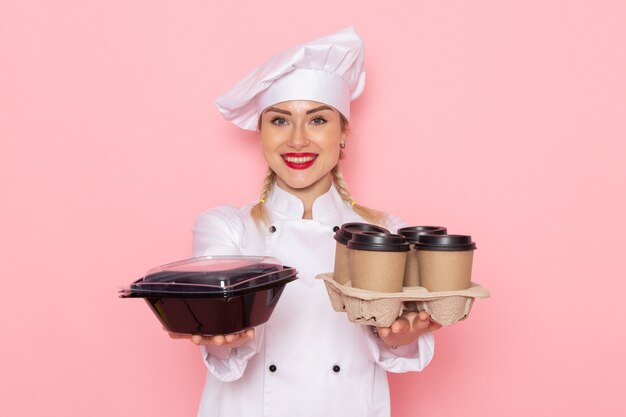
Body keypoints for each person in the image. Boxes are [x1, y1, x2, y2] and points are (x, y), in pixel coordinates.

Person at [168, 27, 442, 417]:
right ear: (261, 134)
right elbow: (221, 338)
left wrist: (402, 336)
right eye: (280, 121)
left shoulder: (387, 234)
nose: (297, 140)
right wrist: (220, 337)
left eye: (317, 121)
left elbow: (397, 345)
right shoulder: (225, 226)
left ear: (343, 133)